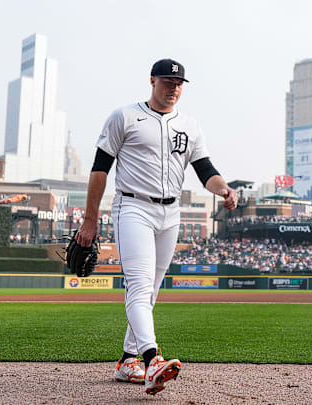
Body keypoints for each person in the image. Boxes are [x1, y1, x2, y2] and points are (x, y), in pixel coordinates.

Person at [75, 58, 238, 396]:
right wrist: (90, 220)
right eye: (167, 81)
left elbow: (206, 171)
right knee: (138, 284)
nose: (173, 87)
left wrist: (223, 189)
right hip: (132, 206)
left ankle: (127, 360)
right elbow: (99, 169)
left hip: (171, 213)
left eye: (179, 83)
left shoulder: (190, 125)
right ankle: (153, 360)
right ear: (152, 81)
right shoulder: (124, 116)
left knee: (151, 290)